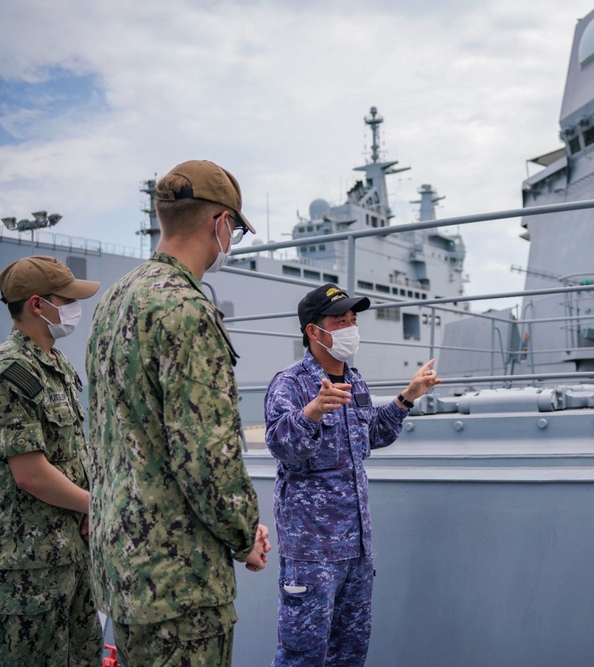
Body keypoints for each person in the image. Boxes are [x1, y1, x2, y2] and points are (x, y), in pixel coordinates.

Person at [86, 159, 270, 666]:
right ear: (220, 223)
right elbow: (207, 455)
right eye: (233, 227)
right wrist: (243, 536)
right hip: (178, 583)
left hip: (122, 569)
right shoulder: (186, 310)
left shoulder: (115, 300)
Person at [264, 283, 441, 667]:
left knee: (349, 654)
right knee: (303, 657)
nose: (349, 327)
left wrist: (407, 397)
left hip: (356, 553)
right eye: (339, 320)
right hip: (312, 556)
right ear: (314, 330)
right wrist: (311, 413)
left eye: (352, 319)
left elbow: (371, 433)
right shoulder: (290, 384)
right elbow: (279, 445)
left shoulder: (354, 380)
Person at [0, 255, 103, 665]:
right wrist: (96, 506)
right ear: (38, 305)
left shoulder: (55, 364)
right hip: (28, 564)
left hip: (70, 554)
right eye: (67, 299)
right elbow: (31, 474)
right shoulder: (5, 372)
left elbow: (74, 451)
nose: (75, 309)